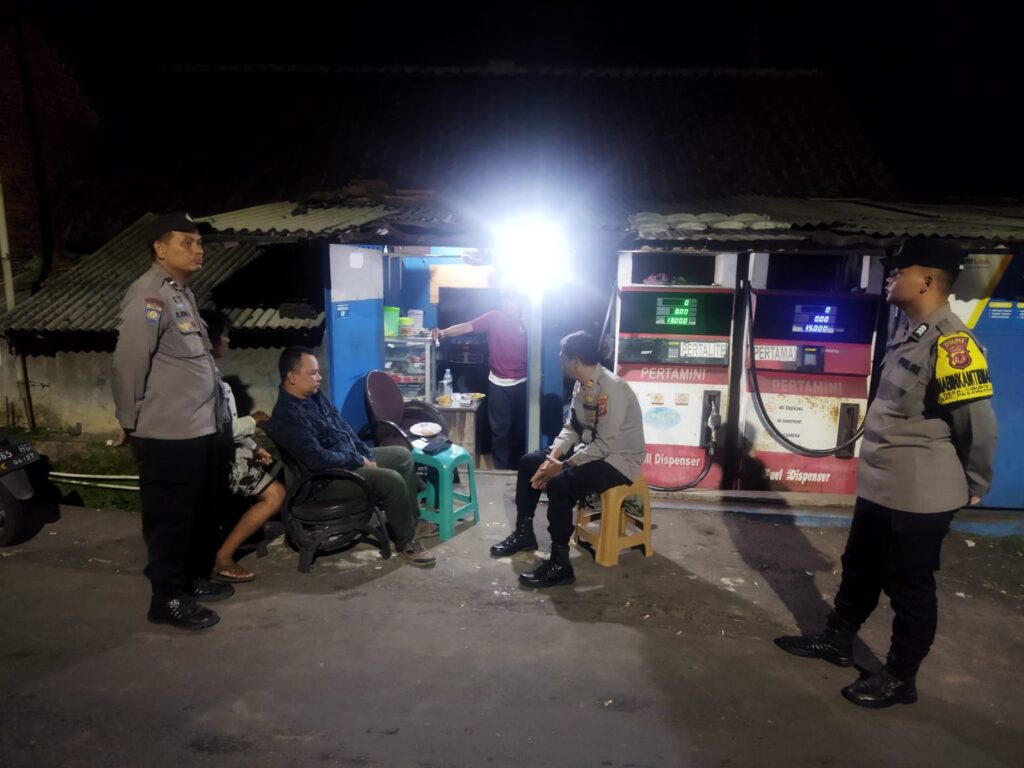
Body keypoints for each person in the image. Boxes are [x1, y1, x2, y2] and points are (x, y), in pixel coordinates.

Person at [774, 240, 998, 708]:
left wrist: (975, 483)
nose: (891, 278)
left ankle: (900, 677)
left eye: (899, 271)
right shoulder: (908, 332)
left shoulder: (952, 343)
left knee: (909, 589)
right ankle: (837, 640)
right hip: (881, 487)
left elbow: (978, 425)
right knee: (859, 570)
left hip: (919, 496)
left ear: (928, 281)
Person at [111, 211, 233, 631]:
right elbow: (129, 364)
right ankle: (166, 598)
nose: (198, 250)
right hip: (168, 434)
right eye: (187, 242)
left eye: (199, 243)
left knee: (196, 513)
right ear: (160, 249)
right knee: (170, 519)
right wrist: (127, 419)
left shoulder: (181, 293)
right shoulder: (148, 297)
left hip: (196, 429)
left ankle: (189, 579)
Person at [491, 330, 646, 588]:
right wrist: (551, 458)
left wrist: (562, 466)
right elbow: (572, 427)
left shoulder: (612, 388)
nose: (560, 360)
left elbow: (605, 445)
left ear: (575, 361)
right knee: (530, 462)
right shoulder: (581, 385)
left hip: (618, 459)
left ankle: (560, 564)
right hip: (592, 450)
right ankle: (524, 534)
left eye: (563, 356)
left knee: (561, 483)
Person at [267, 347, 437, 567]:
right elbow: (317, 460)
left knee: (402, 455)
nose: (319, 378)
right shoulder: (288, 414)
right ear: (292, 377)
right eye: (313, 373)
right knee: (391, 480)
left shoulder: (314, 397)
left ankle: (411, 523)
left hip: (345, 460)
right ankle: (406, 542)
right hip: (322, 481)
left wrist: (364, 453)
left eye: (318, 372)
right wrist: (357, 460)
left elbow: (342, 427)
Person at [199, 310, 287, 583]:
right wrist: (254, 420)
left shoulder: (211, 375)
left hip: (225, 454)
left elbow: (230, 425)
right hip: (219, 461)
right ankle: (224, 557)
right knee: (275, 495)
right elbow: (219, 430)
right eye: (224, 336)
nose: (228, 341)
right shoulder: (205, 381)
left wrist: (254, 447)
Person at [434, 287, 527, 469]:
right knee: (499, 431)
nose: (507, 304)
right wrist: (443, 332)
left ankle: (517, 468)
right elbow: (467, 326)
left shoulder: (528, 320)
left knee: (519, 430)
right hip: (498, 382)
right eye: (504, 300)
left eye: (512, 300)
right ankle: (501, 470)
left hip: (523, 382)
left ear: (520, 302)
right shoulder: (493, 317)